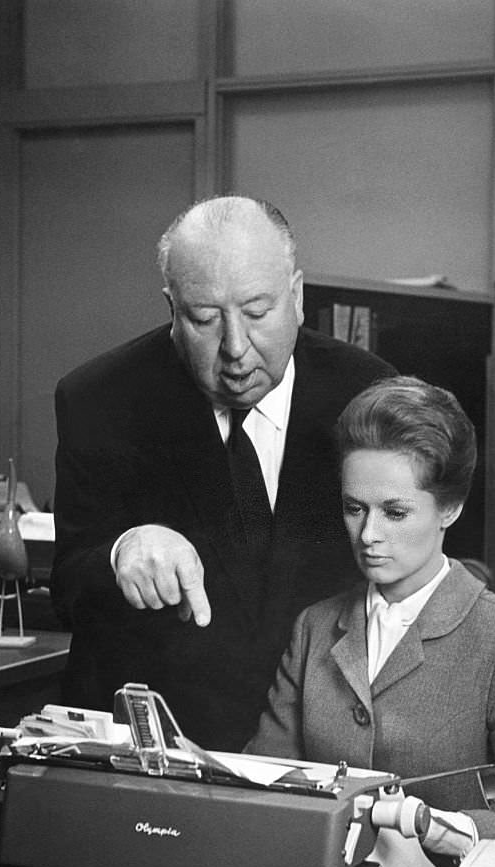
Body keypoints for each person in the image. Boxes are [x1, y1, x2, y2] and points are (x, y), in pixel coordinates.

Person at [50, 196, 394, 750]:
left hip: (319, 739)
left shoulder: (368, 392)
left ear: (298, 297)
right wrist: (122, 551)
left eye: (258, 313)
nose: (236, 348)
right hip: (161, 746)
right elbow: (67, 585)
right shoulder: (99, 398)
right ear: (172, 308)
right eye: (205, 319)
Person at [245, 376, 495, 867]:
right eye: (354, 508)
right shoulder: (315, 628)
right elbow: (263, 785)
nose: (368, 534)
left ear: (449, 509)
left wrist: (442, 830)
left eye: (394, 512)